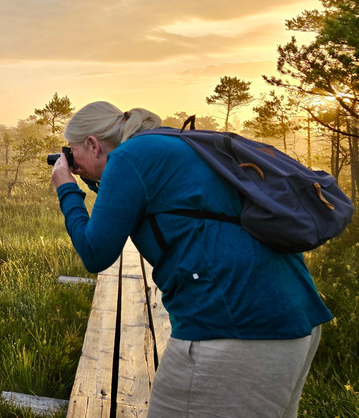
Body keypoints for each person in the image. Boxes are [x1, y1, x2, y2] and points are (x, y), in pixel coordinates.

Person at [51, 101, 332, 418]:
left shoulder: (129, 158)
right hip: (287, 316)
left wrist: (66, 189)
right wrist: (91, 177)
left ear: (92, 143)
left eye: (72, 153)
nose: (72, 162)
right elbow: (129, 207)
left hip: (233, 326)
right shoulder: (166, 145)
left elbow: (95, 252)